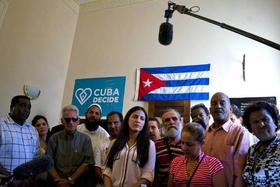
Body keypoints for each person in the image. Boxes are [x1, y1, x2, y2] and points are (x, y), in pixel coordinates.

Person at [202, 92, 250, 187]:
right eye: (214, 103)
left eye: (222, 103)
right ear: (210, 110)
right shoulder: (204, 133)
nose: (218, 106)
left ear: (230, 109)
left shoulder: (240, 132)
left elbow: (240, 171)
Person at [103, 106, 156, 187]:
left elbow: (147, 175)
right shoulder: (114, 142)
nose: (138, 120)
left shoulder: (150, 145)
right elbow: (107, 170)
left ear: (144, 124)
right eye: (135, 117)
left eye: (142, 119)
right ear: (127, 119)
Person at [47, 105, 94, 187]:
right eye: (67, 119)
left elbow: (87, 163)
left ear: (78, 121)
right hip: (57, 182)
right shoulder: (54, 138)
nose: (71, 122)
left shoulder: (85, 139)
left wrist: (70, 180)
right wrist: (59, 182)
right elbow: (48, 162)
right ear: (62, 121)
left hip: (77, 182)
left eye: (74, 119)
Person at [168, 122, 227, 187]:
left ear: (202, 143)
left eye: (189, 144)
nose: (184, 148)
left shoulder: (214, 164)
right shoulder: (175, 162)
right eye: (182, 143)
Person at [0, 95, 39, 186]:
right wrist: (10, 178)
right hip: (5, 182)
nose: (26, 109)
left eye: (29, 107)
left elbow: (35, 156)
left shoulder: (32, 130)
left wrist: (31, 177)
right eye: (22, 105)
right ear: (11, 107)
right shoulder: (1, 125)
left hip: (26, 183)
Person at [242, 101, 280, 186]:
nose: (261, 124)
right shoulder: (252, 150)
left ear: (274, 121)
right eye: (255, 122)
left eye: (265, 119)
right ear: (250, 128)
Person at [77, 103, 110, 185]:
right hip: (75, 167)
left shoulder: (104, 135)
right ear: (86, 114)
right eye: (91, 112)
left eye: (97, 113)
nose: (93, 115)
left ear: (100, 117)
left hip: (93, 171)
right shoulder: (77, 129)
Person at [154, 109, 184, 186]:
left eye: (174, 119)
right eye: (167, 120)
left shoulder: (189, 144)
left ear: (180, 121)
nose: (171, 122)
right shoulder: (156, 145)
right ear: (163, 125)